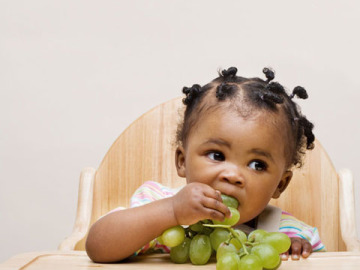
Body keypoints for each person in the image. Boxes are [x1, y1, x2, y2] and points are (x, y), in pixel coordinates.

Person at [85, 67, 325, 263]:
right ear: (182, 161)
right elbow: (97, 247)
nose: (233, 175)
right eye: (217, 155)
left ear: (280, 184)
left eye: (257, 164)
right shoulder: (156, 203)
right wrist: (171, 211)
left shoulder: (286, 232)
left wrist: (299, 254)